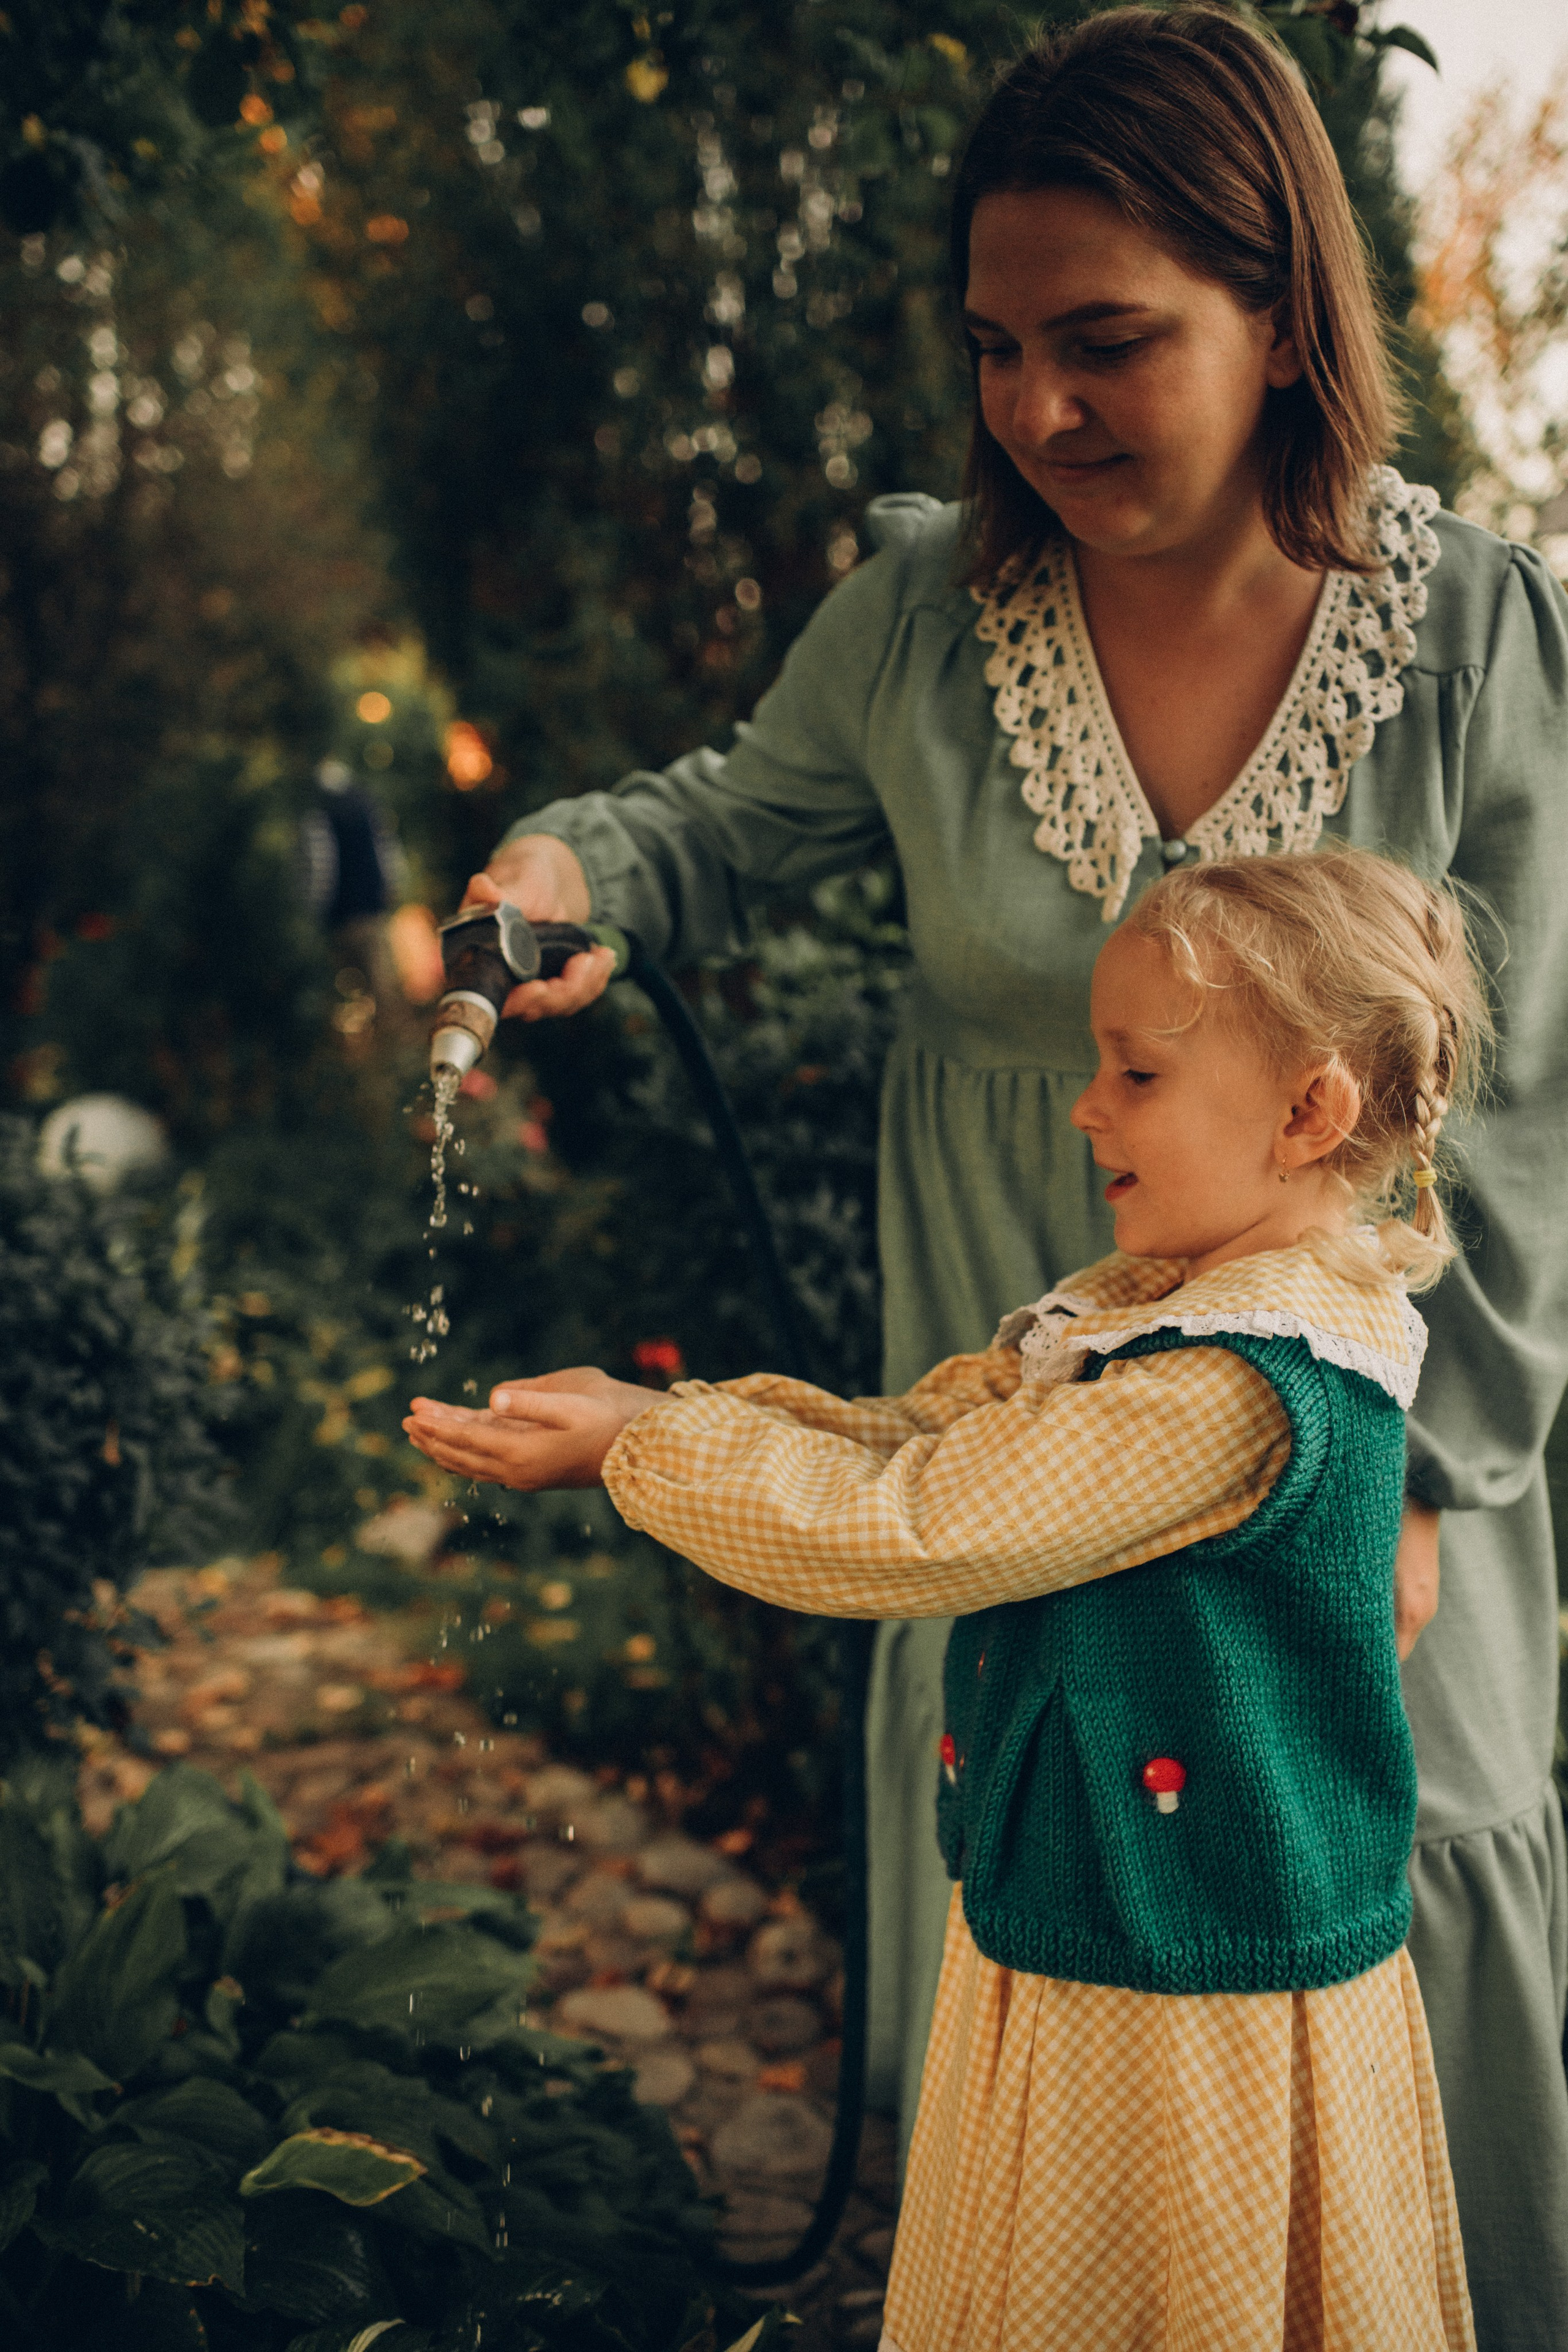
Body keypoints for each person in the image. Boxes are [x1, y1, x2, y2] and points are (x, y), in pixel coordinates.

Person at [458, 12, 1568, 2339]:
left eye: (1109, 340)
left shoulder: (1468, 634)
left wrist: (1428, 1471)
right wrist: (580, 873)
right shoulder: (925, 615)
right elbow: (714, 827)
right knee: (1050, 1905)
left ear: (1284, 316)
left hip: (1363, 1451)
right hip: (1005, 1425)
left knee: (1375, 1903)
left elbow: (1536, 1098)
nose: (1040, 408)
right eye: (994, 347)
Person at [407, 844, 1484, 2349]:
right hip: (1105, 1926)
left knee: (1166, 2298)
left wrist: (642, 1452)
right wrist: (659, 1418)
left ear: (1307, 1111)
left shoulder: (1232, 1386)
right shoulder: (1159, 1314)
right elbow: (927, 1438)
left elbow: (915, 1526)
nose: (1086, 1106)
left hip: (1181, 1990)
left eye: (1135, 1074)